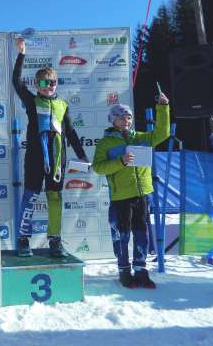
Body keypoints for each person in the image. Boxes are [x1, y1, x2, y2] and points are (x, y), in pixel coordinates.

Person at [12, 38, 89, 257]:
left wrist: (81, 155)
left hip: (58, 159)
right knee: (30, 196)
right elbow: (16, 82)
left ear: (56, 83)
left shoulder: (63, 105)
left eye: (52, 82)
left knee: (55, 198)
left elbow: (71, 132)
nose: (48, 87)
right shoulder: (31, 101)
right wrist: (22, 54)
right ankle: (23, 239)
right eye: (44, 83)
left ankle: (55, 240)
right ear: (37, 85)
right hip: (36, 156)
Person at [92, 94, 170, 289]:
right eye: (120, 117)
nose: (125, 120)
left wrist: (163, 107)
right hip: (121, 197)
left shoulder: (142, 137)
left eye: (128, 117)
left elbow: (163, 133)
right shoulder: (106, 143)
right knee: (122, 235)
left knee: (141, 233)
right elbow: (98, 167)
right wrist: (121, 161)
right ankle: (124, 271)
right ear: (112, 120)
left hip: (143, 194)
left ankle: (141, 271)